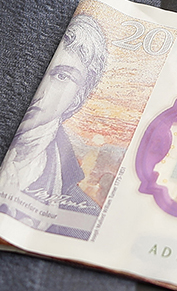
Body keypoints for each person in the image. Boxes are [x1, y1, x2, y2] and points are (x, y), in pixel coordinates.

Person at [0, 13, 108, 237]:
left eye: (61, 76)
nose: (42, 91)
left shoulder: (85, 216)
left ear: (78, 96)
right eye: (42, 68)